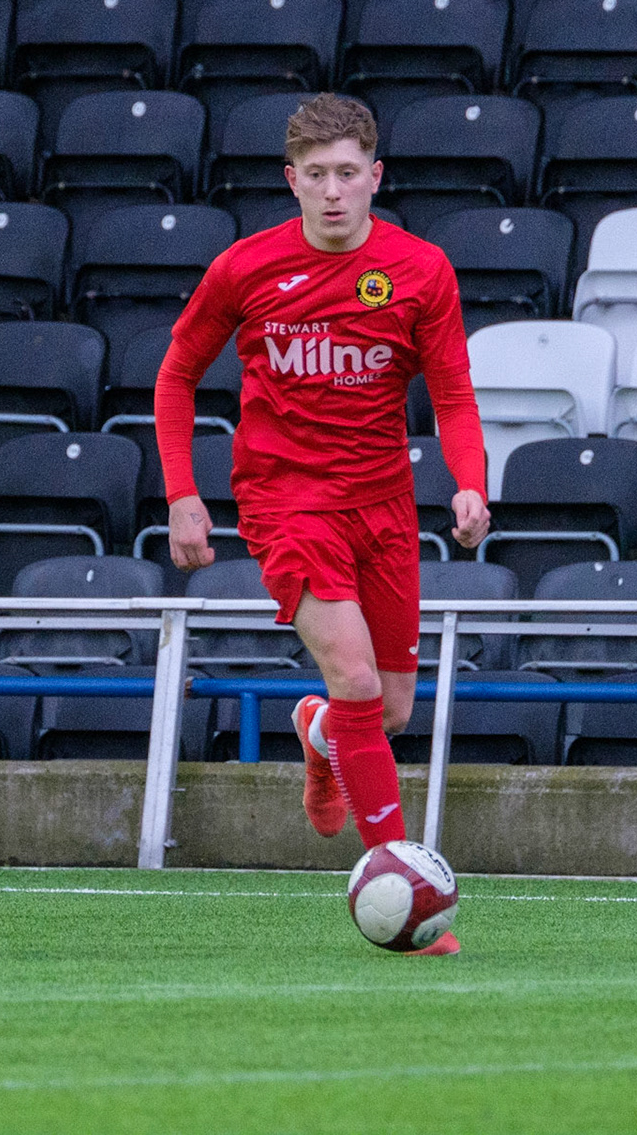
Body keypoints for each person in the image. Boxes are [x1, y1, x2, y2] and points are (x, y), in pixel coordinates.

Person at [155, 94, 490, 953]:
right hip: (284, 497)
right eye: (316, 176)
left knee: (393, 710)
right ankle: (404, 888)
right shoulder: (246, 268)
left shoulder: (421, 270)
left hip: (382, 503)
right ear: (291, 181)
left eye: (348, 174)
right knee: (358, 685)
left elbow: (450, 392)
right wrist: (182, 494)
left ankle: (317, 734)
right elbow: (176, 376)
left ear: (375, 177)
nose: (333, 192)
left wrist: (469, 484)